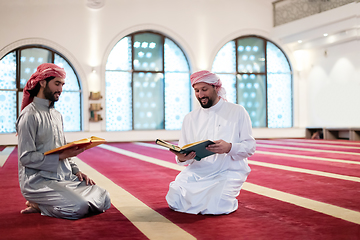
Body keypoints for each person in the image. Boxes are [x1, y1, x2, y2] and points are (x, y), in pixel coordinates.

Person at [16, 63, 111, 219]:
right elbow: (26, 158)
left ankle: (53, 202)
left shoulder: (57, 115)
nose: (60, 89)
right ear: (42, 82)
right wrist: (60, 156)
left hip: (65, 177)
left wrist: (76, 171)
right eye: (57, 83)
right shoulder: (29, 115)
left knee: (104, 197)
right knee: (78, 207)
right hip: (39, 181)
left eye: (62, 84)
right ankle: (38, 205)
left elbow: (63, 148)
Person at [166, 70, 256, 215]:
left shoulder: (237, 111)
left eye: (204, 89)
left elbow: (250, 147)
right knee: (174, 198)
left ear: (216, 88)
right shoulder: (190, 118)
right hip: (197, 172)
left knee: (216, 206)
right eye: (196, 90)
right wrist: (182, 157)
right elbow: (183, 152)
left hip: (227, 171)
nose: (200, 95)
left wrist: (229, 147)